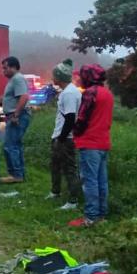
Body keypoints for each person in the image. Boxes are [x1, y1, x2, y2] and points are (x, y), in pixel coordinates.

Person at [68, 64, 113, 227]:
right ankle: (101, 215)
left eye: (82, 75)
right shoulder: (107, 93)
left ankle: (90, 217)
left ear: (89, 76)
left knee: (89, 181)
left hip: (90, 143)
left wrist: (75, 131)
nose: (80, 78)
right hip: (103, 143)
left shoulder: (90, 93)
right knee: (102, 181)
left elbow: (82, 119)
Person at [47, 59, 82, 211]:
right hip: (61, 136)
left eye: (54, 75)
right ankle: (55, 192)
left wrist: (61, 139)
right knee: (55, 165)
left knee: (69, 168)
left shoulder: (69, 93)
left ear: (59, 77)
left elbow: (70, 118)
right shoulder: (68, 91)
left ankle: (73, 201)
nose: (52, 78)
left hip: (65, 138)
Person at [0, 56, 30, 183]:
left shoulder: (17, 79)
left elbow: (24, 97)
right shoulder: (13, 80)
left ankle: (15, 175)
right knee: (15, 146)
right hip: (14, 115)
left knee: (10, 146)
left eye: (5, 68)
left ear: (13, 67)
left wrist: (16, 115)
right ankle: (19, 174)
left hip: (17, 116)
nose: (4, 71)